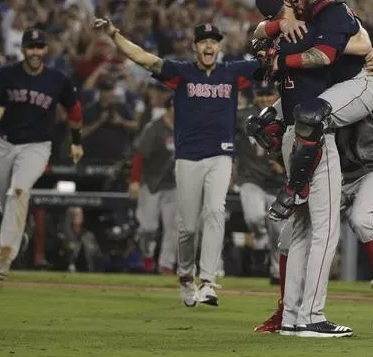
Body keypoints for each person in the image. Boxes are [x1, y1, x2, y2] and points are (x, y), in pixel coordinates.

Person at [93, 18, 259, 307]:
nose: (209, 45)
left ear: (219, 46)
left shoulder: (233, 73)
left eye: (214, 41)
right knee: (188, 227)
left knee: (216, 212)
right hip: (188, 156)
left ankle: (208, 281)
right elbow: (143, 58)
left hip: (221, 153)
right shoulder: (181, 73)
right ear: (195, 47)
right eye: (203, 41)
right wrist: (114, 34)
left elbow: (275, 64)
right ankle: (185, 275)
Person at [251, 56, 373, 334]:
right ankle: (286, 309)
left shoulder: (349, 83)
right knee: (288, 239)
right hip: (330, 174)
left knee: (361, 220)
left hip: (369, 168)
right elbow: (272, 121)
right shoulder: (308, 90)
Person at [252, 0, 373, 219]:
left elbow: (363, 43)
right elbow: (258, 32)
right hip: (313, 88)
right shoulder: (288, 20)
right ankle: (288, 167)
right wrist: (279, 27)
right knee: (260, 125)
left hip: (345, 83)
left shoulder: (323, 11)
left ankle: (302, 184)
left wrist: (305, 46)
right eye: (274, 14)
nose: (281, 13)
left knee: (309, 118)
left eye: (282, 9)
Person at [0, 28, 84, 279]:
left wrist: (76, 142)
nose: (35, 52)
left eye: (39, 47)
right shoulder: (6, 75)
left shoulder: (57, 79)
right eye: (30, 47)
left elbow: (75, 109)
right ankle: (19, 234)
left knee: (18, 192)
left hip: (37, 146)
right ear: (23, 49)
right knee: (8, 203)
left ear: (46, 49)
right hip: (5, 144)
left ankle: (4, 256)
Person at [235, 83, 286, 284]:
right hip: (251, 179)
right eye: (261, 94)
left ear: (276, 94)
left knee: (278, 230)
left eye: (269, 94)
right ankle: (260, 243)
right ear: (255, 95)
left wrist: (283, 167)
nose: (265, 98)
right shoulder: (243, 115)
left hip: (277, 182)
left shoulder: (286, 115)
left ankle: (276, 272)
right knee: (255, 217)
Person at [128, 96, 177, 274]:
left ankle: (166, 264)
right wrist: (134, 180)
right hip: (151, 182)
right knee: (148, 227)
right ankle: (147, 254)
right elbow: (140, 155)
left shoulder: (187, 128)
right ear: (168, 108)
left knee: (173, 227)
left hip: (174, 184)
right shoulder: (155, 128)